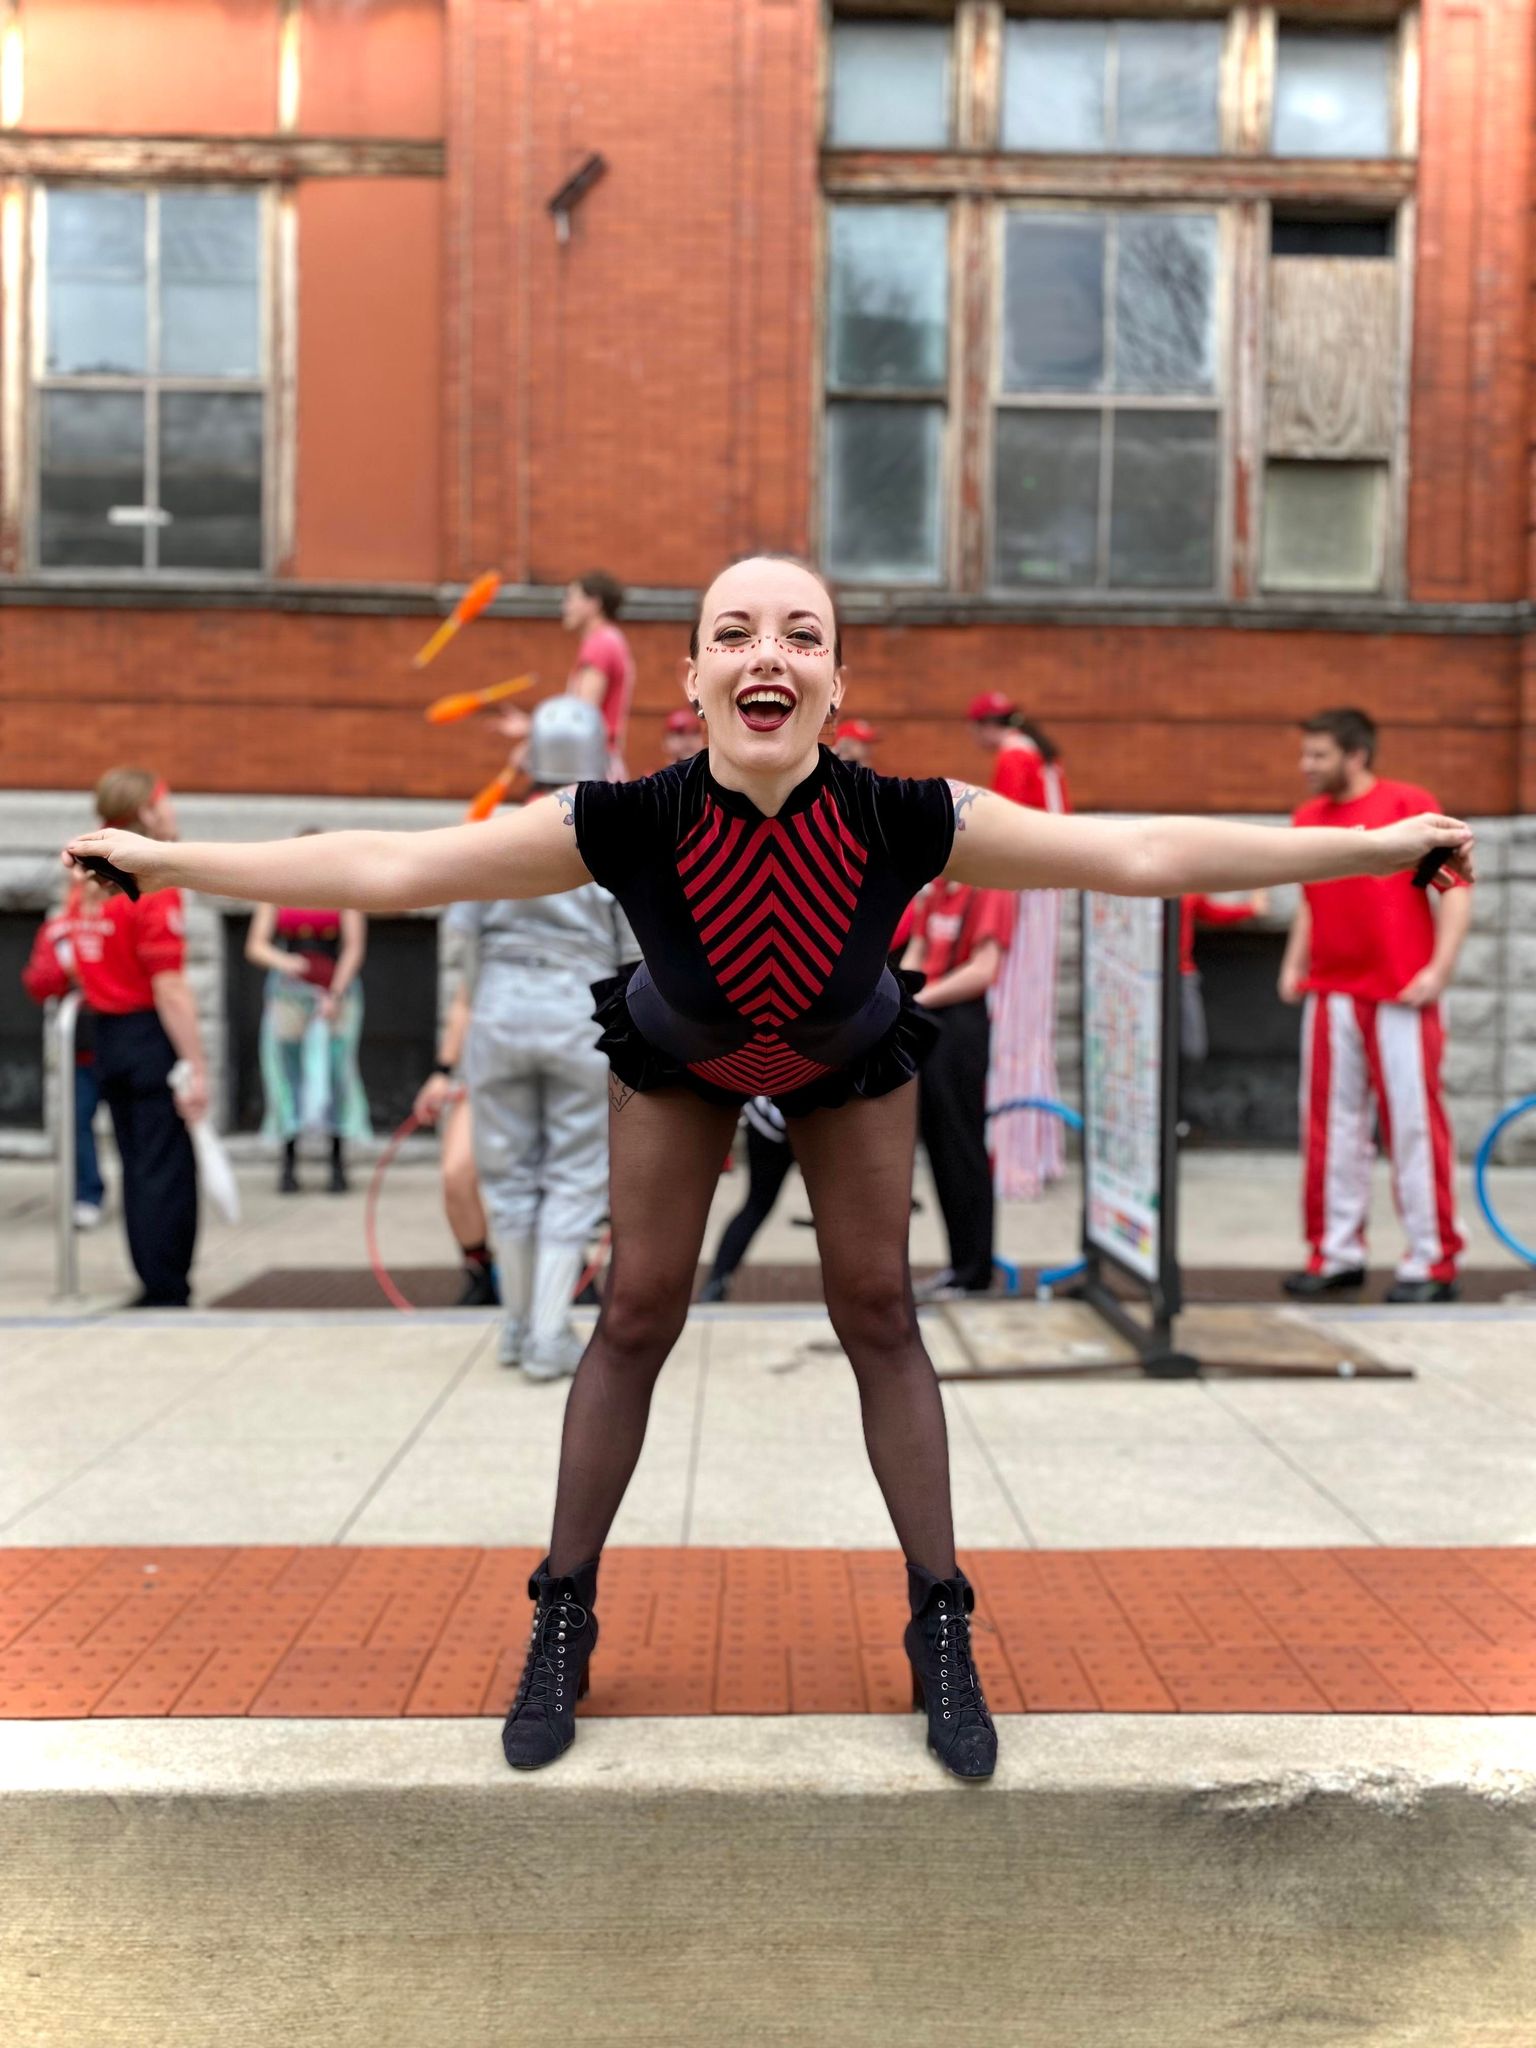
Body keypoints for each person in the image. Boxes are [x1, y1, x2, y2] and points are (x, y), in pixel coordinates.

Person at [65, 555, 1474, 1782]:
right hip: (681, 1059)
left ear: (836, 684)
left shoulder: (907, 815)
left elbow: (1141, 848)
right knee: (637, 1312)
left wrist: (1371, 851)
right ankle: (563, 1613)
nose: (768, 654)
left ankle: (940, 1621)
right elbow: (392, 867)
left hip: (846, 1058)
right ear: (691, 680)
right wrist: (173, 867)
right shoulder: (625, 818)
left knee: (880, 1312)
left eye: (802, 634)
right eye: (735, 632)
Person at [437, 698, 638, 1378]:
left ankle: (518, 1325)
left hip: (498, 1011)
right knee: (574, 1178)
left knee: (509, 1178)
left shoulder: (492, 830)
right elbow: (632, 956)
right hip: (578, 1013)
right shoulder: (613, 836)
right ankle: (549, 1333)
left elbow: (464, 946)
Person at [1279, 707, 1472, 1305]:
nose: (1306, 765)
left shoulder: (1407, 807)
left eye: (1319, 754)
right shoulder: (1308, 818)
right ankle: (1335, 1254)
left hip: (1400, 991)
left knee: (1413, 1127)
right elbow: (1311, 899)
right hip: (1332, 992)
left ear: (1356, 755)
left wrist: (1439, 969)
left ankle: (1433, 1260)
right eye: (1305, 753)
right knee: (1329, 1129)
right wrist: (1293, 962)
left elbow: (1454, 888)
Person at [65, 769, 207, 1307]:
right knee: (165, 1165)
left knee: (137, 1163)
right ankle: (166, 1285)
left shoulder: (85, 881)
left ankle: (152, 1277)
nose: (173, 812)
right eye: (166, 802)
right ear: (146, 811)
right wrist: (197, 1066)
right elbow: (170, 987)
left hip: (108, 1035)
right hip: (147, 1033)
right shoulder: (150, 883)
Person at [968, 693, 1071, 1201]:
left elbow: (1003, 835)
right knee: (1032, 1022)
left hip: (1024, 893)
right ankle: (1037, 1150)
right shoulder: (1042, 756)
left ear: (983, 727)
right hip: (1046, 892)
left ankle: (1015, 1157)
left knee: (1012, 1020)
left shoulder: (1013, 756)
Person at [904, 874, 1015, 1297]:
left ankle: (975, 1271)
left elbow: (984, 970)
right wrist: (898, 992)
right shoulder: (935, 889)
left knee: (962, 1146)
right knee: (939, 1149)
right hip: (929, 1016)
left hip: (960, 1022)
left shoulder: (991, 889)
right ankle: (958, 1266)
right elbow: (918, 948)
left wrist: (918, 998)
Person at [245, 867, 369, 1195]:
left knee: (337, 1074)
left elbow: (354, 947)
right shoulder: (276, 888)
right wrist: (288, 963)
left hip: (336, 995)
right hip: (288, 994)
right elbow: (256, 945)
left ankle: (337, 1163)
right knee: (286, 1076)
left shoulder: (344, 888)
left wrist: (336, 992)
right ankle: (288, 1163)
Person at [21, 876, 107, 1227]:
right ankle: (87, 1194)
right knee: (77, 1121)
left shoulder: (117, 921)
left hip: (123, 1039)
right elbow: (37, 982)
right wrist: (65, 972)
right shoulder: (59, 930)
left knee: (135, 1124)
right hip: (80, 1047)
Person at [698, 1095, 793, 1302]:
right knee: (757, 1204)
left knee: (756, 1205)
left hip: (771, 1114)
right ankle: (717, 1280)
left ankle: (717, 1281)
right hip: (774, 1117)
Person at [563, 570, 635, 777]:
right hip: (602, 762)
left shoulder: (600, 643)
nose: (564, 606)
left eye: (571, 598)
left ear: (594, 603)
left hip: (593, 765)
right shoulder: (611, 639)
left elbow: (581, 716)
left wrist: (534, 731)